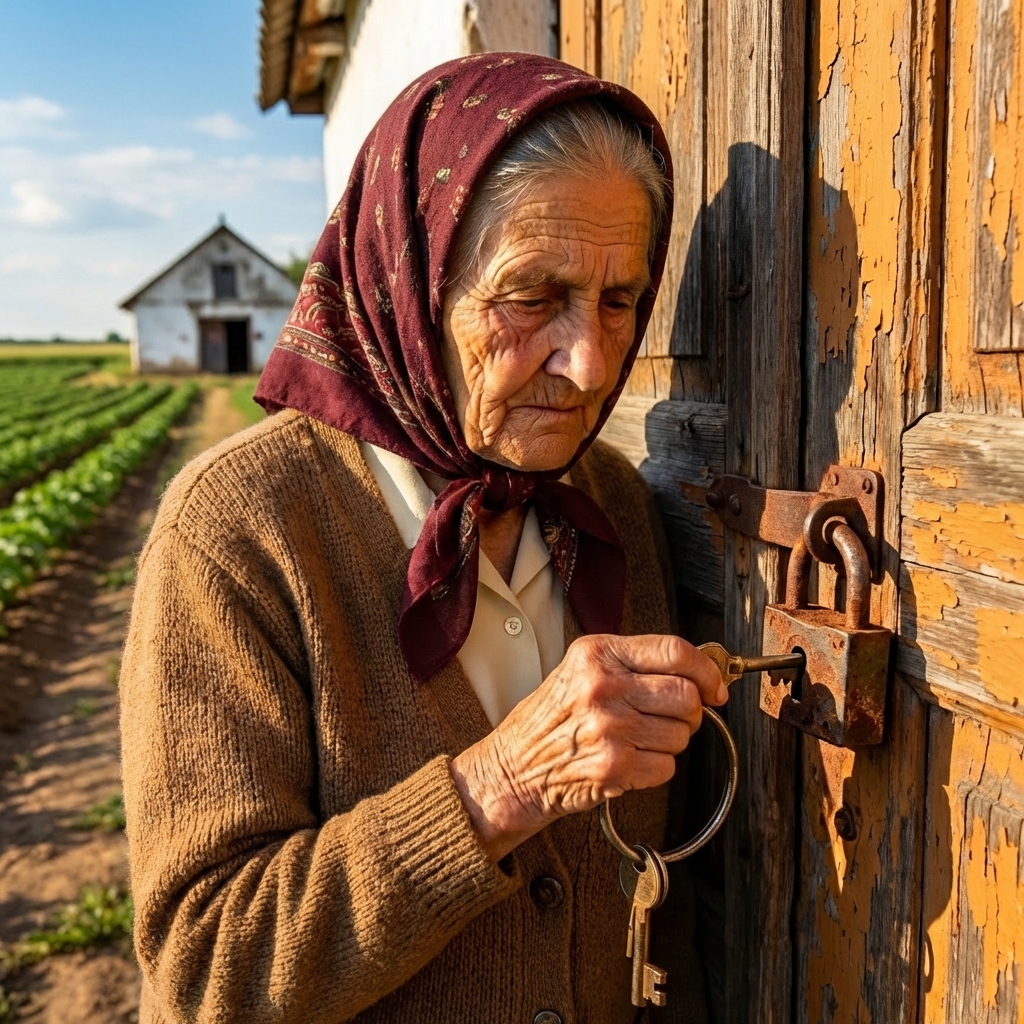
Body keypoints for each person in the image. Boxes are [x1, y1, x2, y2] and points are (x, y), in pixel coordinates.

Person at [120, 52, 725, 1024]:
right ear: (410, 279)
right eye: (531, 296)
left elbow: (658, 907)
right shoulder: (238, 531)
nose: (586, 364)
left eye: (620, 302)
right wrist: (503, 781)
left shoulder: (608, 503)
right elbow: (204, 970)